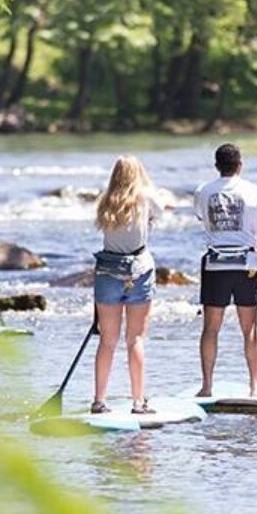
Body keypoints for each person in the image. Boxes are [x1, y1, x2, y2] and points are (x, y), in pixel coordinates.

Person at [193, 143, 257, 396]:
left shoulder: (203, 191)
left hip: (215, 265)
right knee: (250, 329)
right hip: (247, 266)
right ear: (240, 165)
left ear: (217, 166)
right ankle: (255, 387)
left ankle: (207, 387)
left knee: (210, 328)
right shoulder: (255, 191)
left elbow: (201, 217)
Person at [91, 156, 163, 415]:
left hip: (108, 272)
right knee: (135, 340)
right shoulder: (146, 196)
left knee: (107, 342)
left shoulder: (105, 199)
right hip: (139, 271)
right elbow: (163, 211)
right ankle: (138, 402)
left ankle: (99, 401)